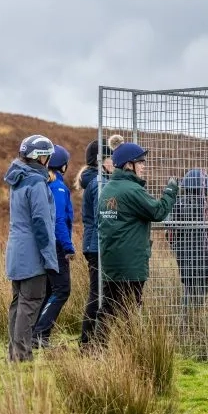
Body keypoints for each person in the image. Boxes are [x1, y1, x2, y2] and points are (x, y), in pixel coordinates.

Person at [96, 142, 178, 338]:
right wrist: (170, 191)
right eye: (140, 161)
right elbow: (157, 212)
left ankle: (94, 350)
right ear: (127, 165)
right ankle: (130, 354)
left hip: (111, 260)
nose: (144, 165)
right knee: (130, 310)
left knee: (108, 307)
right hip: (130, 263)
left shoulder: (108, 189)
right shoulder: (131, 190)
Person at [3, 134, 59, 363]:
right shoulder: (35, 182)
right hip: (32, 253)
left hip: (16, 250)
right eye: (47, 156)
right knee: (31, 303)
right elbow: (41, 222)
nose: (49, 161)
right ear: (40, 158)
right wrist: (50, 257)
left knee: (18, 304)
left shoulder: (18, 179)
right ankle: (22, 355)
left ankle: (14, 354)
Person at [77, 135, 122, 348]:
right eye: (110, 158)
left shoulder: (96, 181)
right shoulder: (99, 184)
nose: (114, 163)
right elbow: (101, 216)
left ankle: (93, 340)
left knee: (100, 292)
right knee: (98, 294)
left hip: (94, 244)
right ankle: (88, 341)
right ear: (100, 161)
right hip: (97, 245)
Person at [32, 144, 75, 348]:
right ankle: (39, 335)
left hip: (47, 246)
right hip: (57, 246)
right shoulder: (57, 186)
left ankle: (37, 334)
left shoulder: (45, 183)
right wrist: (68, 247)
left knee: (50, 290)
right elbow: (59, 220)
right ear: (63, 165)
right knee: (62, 290)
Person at [167, 169, 208, 308]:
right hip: (202, 260)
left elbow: (170, 235)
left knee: (189, 293)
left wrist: (178, 249)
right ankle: (194, 324)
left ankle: (186, 324)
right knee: (199, 298)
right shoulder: (203, 206)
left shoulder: (179, 204)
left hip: (185, 259)